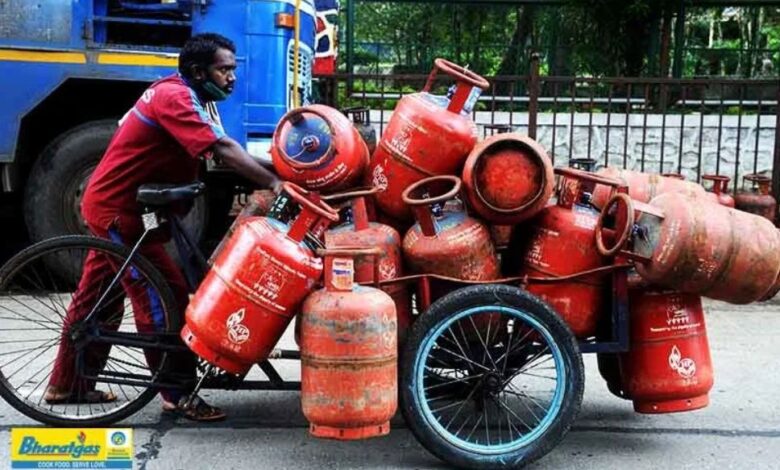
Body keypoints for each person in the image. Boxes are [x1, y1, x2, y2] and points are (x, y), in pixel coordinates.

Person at [44, 33, 281, 421]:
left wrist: (284, 171)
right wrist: (273, 183)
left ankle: (67, 384)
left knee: (97, 298)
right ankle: (176, 392)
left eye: (232, 69)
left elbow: (223, 150)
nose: (232, 78)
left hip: (123, 207)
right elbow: (222, 150)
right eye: (224, 70)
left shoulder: (190, 97)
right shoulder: (175, 97)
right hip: (120, 212)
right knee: (162, 295)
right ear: (198, 71)